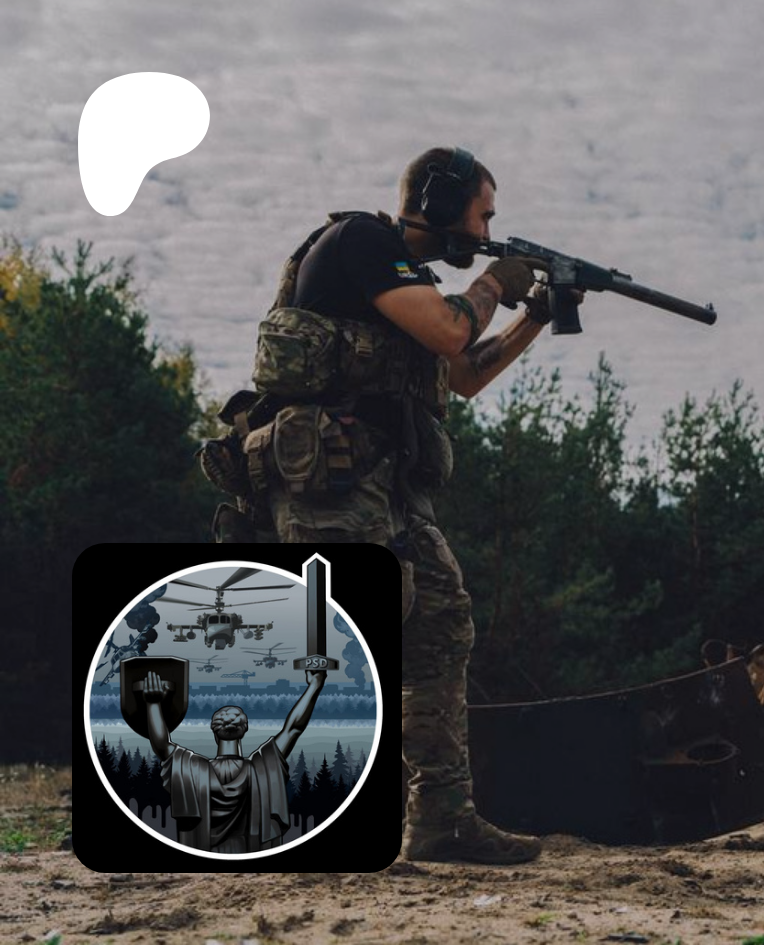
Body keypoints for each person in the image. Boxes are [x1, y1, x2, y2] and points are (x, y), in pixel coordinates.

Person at [211, 147, 557, 863]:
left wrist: (534, 317)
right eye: (482, 214)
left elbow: (463, 374)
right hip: (329, 483)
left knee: (441, 624)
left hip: (388, 487)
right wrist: (499, 280)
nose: (487, 230)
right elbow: (453, 329)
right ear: (438, 201)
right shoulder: (362, 242)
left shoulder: (414, 284)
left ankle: (442, 818)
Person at [136, 669, 322, 853]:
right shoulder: (260, 768)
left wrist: (153, 704)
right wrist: (315, 685)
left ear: (215, 733)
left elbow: (162, 746)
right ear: (244, 730)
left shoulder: (193, 769)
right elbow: (293, 729)